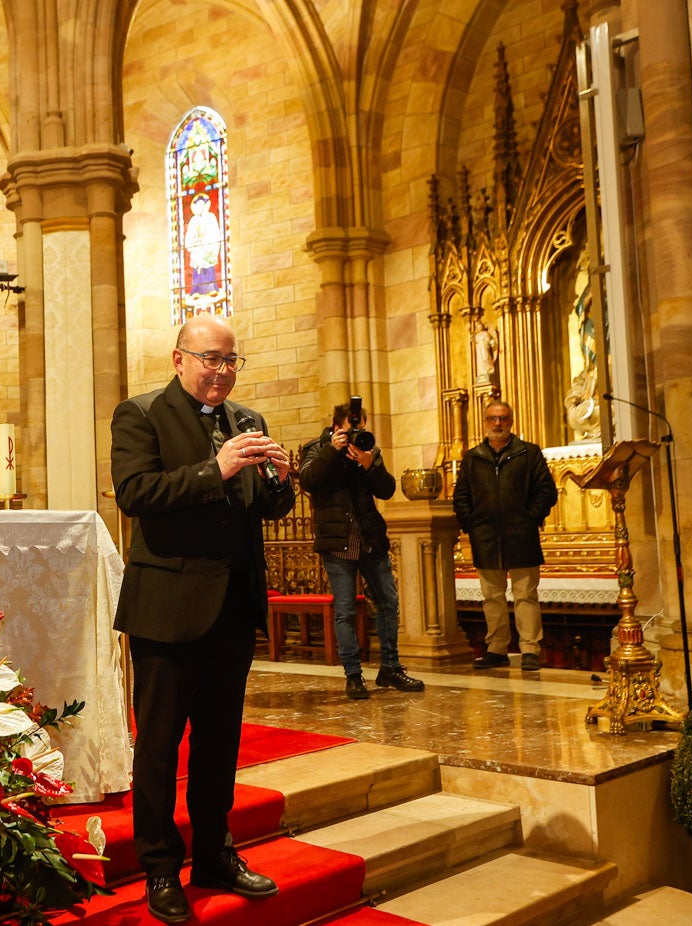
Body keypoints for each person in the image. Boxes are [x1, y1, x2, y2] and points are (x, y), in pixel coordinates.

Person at [111, 314, 293, 924]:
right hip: (168, 610)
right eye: (210, 359)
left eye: (230, 361)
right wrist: (215, 470)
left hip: (233, 606)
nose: (221, 372)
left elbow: (263, 507)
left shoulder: (248, 421)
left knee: (219, 743)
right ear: (179, 359)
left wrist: (280, 481)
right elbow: (136, 494)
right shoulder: (139, 415)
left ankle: (215, 855)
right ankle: (160, 867)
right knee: (160, 747)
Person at [299, 404, 424, 700]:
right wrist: (333, 450)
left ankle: (390, 668)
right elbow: (307, 481)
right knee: (344, 610)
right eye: (351, 430)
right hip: (337, 541)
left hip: (370, 539)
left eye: (362, 429)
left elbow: (388, 490)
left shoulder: (369, 451)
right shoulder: (317, 448)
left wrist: (369, 465)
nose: (358, 435)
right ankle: (353, 675)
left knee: (388, 603)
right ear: (336, 427)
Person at [452, 400, 558, 671]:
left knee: (525, 595)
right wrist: (473, 525)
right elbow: (461, 497)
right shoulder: (473, 457)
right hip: (486, 537)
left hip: (521, 536)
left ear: (511, 422)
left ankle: (530, 648)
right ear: (485, 422)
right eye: (492, 419)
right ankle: (497, 648)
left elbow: (547, 491)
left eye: (503, 418)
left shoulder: (528, 453)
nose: (497, 423)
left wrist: (528, 518)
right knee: (492, 597)